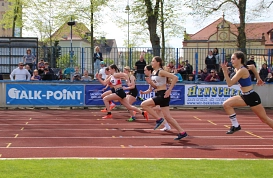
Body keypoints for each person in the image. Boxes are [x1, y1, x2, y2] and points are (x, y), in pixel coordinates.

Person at [221, 51, 273, 134]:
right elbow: (252, 67)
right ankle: (236, 125)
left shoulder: (242, 70)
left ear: (240, 59)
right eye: (231, 59)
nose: (231, 61)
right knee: (226, 104)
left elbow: (230, 84)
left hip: (252, 97)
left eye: (233, 59)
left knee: (265, 119)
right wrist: (258, 78)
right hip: (244, 96)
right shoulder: (238, 68)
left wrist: (224, 71)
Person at [141, 56, 188, 140]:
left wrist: (169, 90)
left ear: (158, 62)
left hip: (163, 94)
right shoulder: (154, 72)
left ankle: (159, 119)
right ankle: (182, 132)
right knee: (169, 118)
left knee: (144, 104)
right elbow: (156, 86)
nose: (151, 63)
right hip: (160, 93)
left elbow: (175, 77)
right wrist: (150, 82)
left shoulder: (161, 71)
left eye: (153, 61)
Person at [140, 65, 171, 131]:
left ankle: (161, 121)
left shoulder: (155, 76)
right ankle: (166, 125)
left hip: (162, 95)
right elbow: (150, 89)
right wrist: (143, 93)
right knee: (158, 111)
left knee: (154, 108)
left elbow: (158, 86)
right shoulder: (150, 77)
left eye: (145, 70)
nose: (144, 71)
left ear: (149, 70)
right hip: (158, 95)